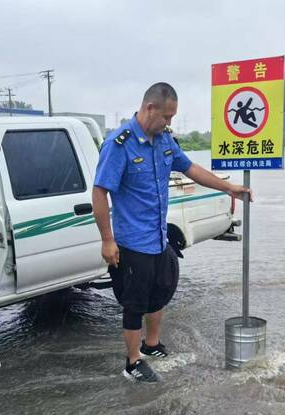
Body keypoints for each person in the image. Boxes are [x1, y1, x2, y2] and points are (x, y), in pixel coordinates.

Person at [92, 82, 252, 383]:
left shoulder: (164, 141)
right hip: (132, 242)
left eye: (172, 118)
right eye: (167, 116)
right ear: (149, 108)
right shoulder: (119, 144)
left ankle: (151, 346)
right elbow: (99, 192)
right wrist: (107, 240)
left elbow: (191, 169)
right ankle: (132, 362)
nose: (170, 123)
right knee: (134, 302)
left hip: (158, 237)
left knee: (162, 290)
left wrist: (228, 186)